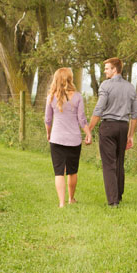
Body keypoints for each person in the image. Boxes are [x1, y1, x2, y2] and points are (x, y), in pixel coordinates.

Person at [87, 57, 137, 207]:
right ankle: (119, 196)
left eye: (107, 68)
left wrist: (89, 129)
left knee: (109, 164)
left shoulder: (106, 85)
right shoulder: (130, 87)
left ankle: (113, 201)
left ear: (115, 69)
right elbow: (134, 115)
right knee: (119, 162)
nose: (105, 71)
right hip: (123, 127)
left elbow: (99, 109)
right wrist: (131, 135)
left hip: (108, 127)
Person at [44, 67, 91, 207]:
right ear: (70, 79)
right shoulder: (77, 96)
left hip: (57, 139)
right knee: (72, 171)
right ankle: (71, 198)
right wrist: (88, 133)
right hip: (74, 140)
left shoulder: (51, 97)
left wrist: (48, 133)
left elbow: (47, 119)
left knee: (59, 172)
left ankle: (61, 203)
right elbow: (82, 119)